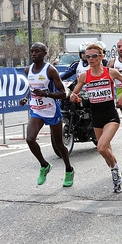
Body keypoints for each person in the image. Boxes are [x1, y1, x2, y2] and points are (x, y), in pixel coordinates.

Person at [70, 42, 122, 193]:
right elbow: (75, 92)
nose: (90, 59)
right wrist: (73, 96)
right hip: (95, 116)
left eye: (94, 56)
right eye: (87, 56)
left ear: (102, 56)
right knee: (106, 150)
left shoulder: (110, 72)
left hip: (110, 115)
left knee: (101, 147)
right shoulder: (84, 76)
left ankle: (115, 170)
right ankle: (116, 174)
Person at [20, 42, 74, 187]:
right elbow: (32, 87)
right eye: (32, 51)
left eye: (37, 51)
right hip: (36, 110)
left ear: (44, 54)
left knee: (59, 144)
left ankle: (69, 169)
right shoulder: (27, 70)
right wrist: (26, 97)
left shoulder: (50, 70)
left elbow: (63, 94)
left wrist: (46, 94)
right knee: (30, 139)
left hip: (51, 110)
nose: (33, 54)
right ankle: (44, 165)